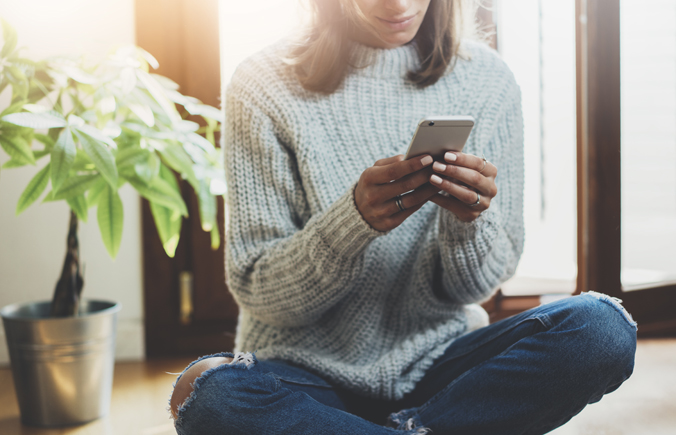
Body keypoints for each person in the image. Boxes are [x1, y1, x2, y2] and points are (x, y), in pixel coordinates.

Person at [169, 0, 637, 433]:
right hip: (304, 376)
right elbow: (260, 290)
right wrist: (353, 222)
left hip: (441, 366)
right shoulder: (263, 84)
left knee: (601, 329)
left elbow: (477, 288)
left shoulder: (488, 80)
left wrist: (466, 223)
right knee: (206, 391)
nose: (397, 5)